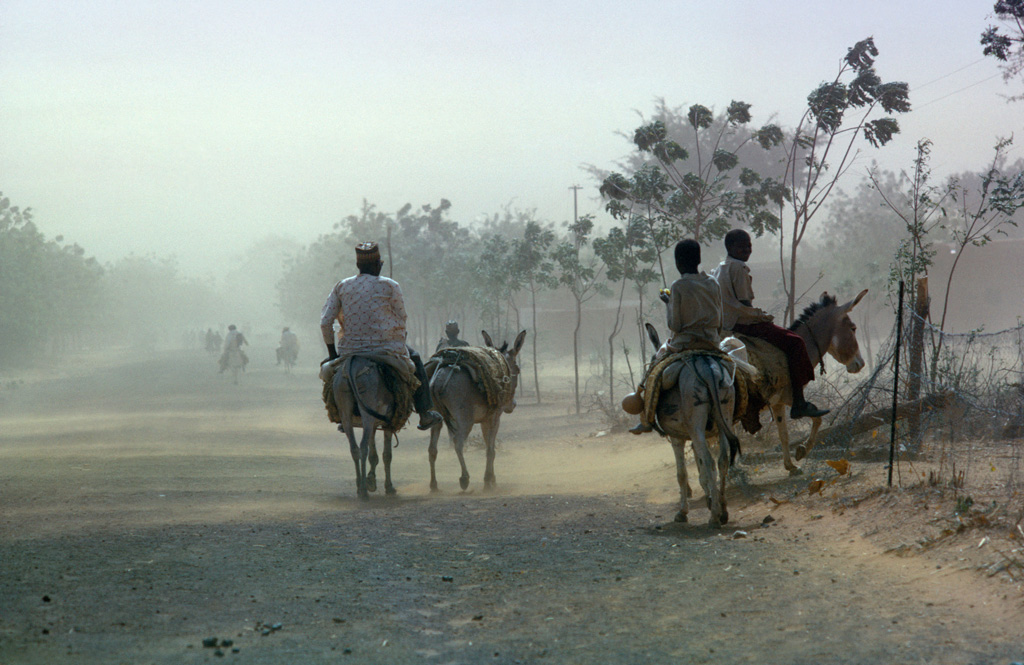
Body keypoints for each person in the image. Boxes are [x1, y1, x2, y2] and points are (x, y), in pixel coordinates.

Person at [319, 242, 442, 430]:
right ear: (377, 265)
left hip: (349, 351)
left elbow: (325, 322)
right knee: (415, 358)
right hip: (386, 349)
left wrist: (333, 353)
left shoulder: (342, 286)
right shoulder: (390, 285)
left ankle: (341, 415)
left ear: (358, 266)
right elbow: (402, 317)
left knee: (328, 373)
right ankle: (425, 413)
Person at [712, 229, 828, 420]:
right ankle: (798, 401)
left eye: (749, 245)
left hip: (728, 323)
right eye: (742, 246)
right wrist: (760, 317)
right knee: (795, 342)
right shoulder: (739, 268)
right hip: (745, 323)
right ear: (730, 247)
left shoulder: (721, 267)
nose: (747, 250)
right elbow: (744, 303)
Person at [631, 239, 723, 435]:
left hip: (684, 344)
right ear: (698, 260)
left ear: (678, 262)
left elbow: (675, 325)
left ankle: (646, 419)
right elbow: (719, 317)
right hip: (712, 343)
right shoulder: (713, 282)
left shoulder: (679, 286)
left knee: (655, 365)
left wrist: (669, 302)